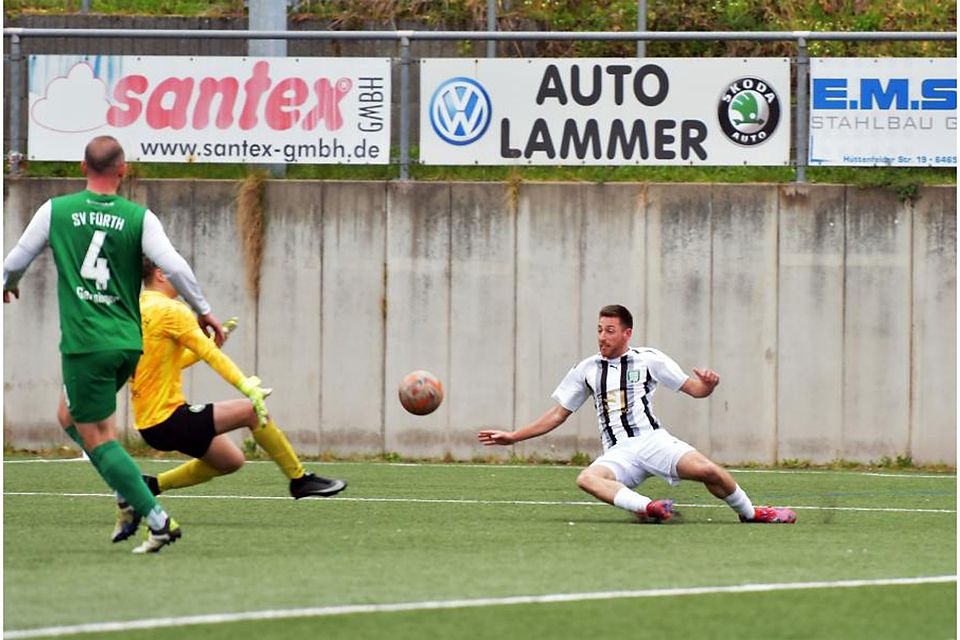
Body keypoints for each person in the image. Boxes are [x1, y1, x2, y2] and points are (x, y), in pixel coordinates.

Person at [3, 135, 226, 553]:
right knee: (68, 417)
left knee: (99, 436)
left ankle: (157, 520)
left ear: (82, 168)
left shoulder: (56, 211)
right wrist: (205, 309)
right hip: (127, 344)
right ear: (123, 171)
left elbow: (15, 260)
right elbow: (174, 266)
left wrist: (9, 284)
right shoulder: (139, 217)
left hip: (87, 344)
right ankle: (126, 492)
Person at [478, 304, 796, 525]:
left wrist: (708, 386)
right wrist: (513, 436)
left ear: (627, 333)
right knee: (587, 478)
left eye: (610, 330)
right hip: (619, 453)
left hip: (652, 441)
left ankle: (750, 513)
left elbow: (694, 389)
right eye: (599, 330)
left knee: (709, 471)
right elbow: (558, 414)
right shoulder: (586, 370)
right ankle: (650, 508)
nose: (602, 337)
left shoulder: (650, 360)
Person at [111, 259, 347, 542]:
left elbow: (164, 364)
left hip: (152, 425)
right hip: (169, 419)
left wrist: (208, 344)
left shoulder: (135, 309)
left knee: (230, 461)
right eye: (180, 273)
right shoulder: (172, 310)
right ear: (161, 274)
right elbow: (213, 359)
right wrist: (246, 385)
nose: (186, 279)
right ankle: (300, 480)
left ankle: (151, 485)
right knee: (249, 411)